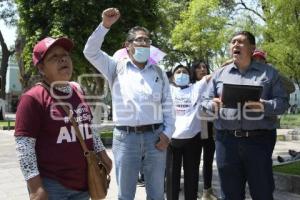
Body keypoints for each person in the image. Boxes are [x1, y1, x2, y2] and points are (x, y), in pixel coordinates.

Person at [83, 8, 175, 200]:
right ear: (127, 45)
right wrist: (105, 25)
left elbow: (168, 105)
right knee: (125, 195)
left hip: (156, 139)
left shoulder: (158, 71)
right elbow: (90, 51)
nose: (144, 43)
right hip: (125, 139)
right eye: (139, 40)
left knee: (157, 194)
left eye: (147, 41)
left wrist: (167, 134)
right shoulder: (115, 66)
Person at [14, 37, 112, 200]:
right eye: (54, 57)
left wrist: (101, 152)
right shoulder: (33, 98)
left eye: (65, 54)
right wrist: (35, 187)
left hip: (84, 182)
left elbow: (87, 126)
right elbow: (24, 147)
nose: (63, 59)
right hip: (53, 185)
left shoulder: (78, 90)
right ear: (41, 68)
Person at [202, 31, 289, 199]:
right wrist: (212, 105)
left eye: (241, 42)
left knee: (262, 192)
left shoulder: (269, 73)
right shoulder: (219, 74)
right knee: (230, 194)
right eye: (233, 42)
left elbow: (283, 103)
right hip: (226, 142)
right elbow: (204, 102)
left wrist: (264, 106)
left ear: (252, 47)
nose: (236, 45)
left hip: (259, 141)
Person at [166, 64, 209, 200]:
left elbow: (209, 77)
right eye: (178, 72)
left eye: (184, 72)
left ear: (189, 75)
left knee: (192, 175)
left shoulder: (196, 88)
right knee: (172, 175)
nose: (181, 74)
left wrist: (230, 62)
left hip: (193, 139)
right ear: (172, 77)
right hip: (171, 140)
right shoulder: (168, 90)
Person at [191, 61, 217, 200]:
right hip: (194, 129)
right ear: (193, 71)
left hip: (209, 126)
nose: (202, 69)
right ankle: (192, 190)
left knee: (208, 161)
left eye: (204, 67)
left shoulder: (212, 86)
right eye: (198, 67)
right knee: (193, 162)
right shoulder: (189, 86)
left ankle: (207, 191)